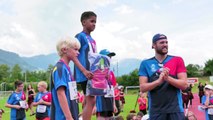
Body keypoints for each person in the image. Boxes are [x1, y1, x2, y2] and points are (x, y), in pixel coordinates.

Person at [138, 33, 188, 120]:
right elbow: (142, 88)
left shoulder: (177, 60)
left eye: (166, 42)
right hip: (156, 111)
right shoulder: (146, 63)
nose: (165, 45)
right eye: (161, 42)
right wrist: (158, 81)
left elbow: (184, 85)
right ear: (153, 45)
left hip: (175, 110)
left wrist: (168, 78)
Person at [73, 11, 97, 120]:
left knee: (90, 100)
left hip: (92, 73)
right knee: (91, 100)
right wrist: (83, 71)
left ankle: (82, 117)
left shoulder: (92, 40)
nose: (94, 24)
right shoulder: (80, 36)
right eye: (92, 21)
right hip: (85, 74)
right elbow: (73, 55)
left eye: (95, 22)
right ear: (83, 22)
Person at [50, 37, 80, 120]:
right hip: (62, 117)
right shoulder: (60, 68)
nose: (78, 53)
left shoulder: (67, 68)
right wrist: (69, 117)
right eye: (75, 49)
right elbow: (60, 93)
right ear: (64, 50)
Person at [95, 49, 117, 120]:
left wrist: (114, 104)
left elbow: (112, 89)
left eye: (110, 57)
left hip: (109, 101)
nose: (109, 59)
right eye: (108, 56)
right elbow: (94, 89)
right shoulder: (96, 71)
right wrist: (94, 105)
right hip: (100, 103)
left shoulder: (111, 72)